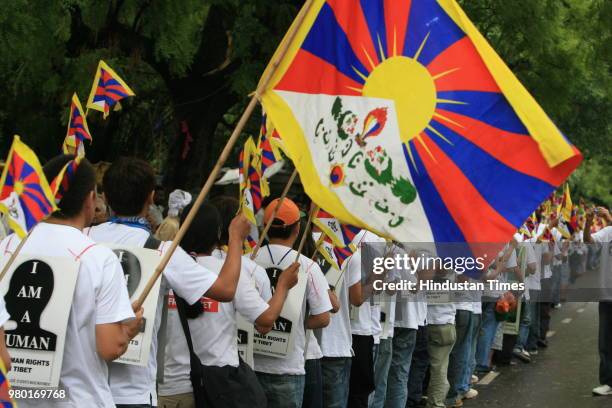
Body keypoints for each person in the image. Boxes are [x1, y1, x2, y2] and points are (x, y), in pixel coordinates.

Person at [85, 157, 250, 408]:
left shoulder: (81, 240)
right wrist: (235, 238)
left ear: (105, 196)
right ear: (151, 197)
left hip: (78, 390)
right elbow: (226, 289)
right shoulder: (162, 252)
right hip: (133, 394)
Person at [1, 155, 142, 407]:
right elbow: (110, 346)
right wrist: (128, 330)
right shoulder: (99, 258)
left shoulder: (7, 247)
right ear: (90, 199)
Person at [157, 202, 299, 408]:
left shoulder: (166, 266)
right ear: (217, 233)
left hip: (171, 387)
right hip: (218, 388)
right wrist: (283, 287)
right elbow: (265, 322)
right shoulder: (229, 274)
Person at [253, 198, 332, 408]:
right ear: (297, 229)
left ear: (265, 228)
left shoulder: (247, 260)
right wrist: (296, 322)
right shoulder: (307, 266)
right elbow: (324, 317)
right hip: (287, 369)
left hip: (249, 365)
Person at [316, 232, 363, 408]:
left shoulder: (303, 246)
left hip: (306, 346)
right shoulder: (350, 252)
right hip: (335, 345)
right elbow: (357, 298)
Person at [584, 206, 612, 396]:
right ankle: (607, 382)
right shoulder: (609, 231)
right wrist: (587, 223)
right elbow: (589, 240)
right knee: (606, 342)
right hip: (607, 295)